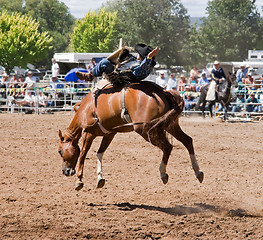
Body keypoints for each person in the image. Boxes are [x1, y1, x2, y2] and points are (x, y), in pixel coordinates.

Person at [76, 43, 160, 83]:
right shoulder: (134, 59)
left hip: (119, 78)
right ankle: (91, 75)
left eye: (139, 53)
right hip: (119, 73)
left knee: (104, 63)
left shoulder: (142, 66)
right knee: (106, 62)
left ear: (141, 57)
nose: (137, 54)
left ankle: (90, 76)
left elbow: (141, 69)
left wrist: (149, 57)